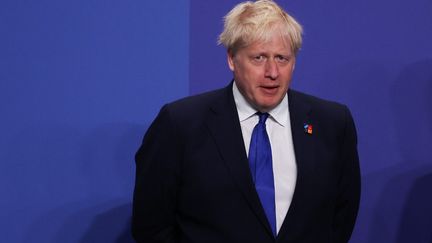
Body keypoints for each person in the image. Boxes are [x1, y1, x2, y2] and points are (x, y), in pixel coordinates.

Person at [132, 0, 361, 242]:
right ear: (232, 59)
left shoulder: (332, 124)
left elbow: (340, 219)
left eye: (282, 58)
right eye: (259, 58)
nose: (272, 72)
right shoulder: (181, 124)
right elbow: (152, 227)